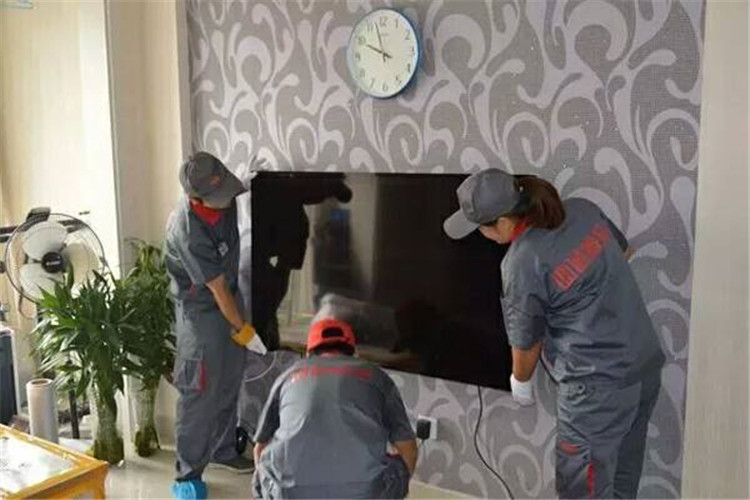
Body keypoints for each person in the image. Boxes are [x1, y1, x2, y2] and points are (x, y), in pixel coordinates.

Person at [443, 169, 665, 499]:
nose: (482, 235)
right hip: (643, 365)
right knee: (621, 476)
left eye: (481, 228)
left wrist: (520, 383)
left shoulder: (521, 261)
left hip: (596, 388)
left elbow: (526, 343)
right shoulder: (581, 209)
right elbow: (623, 253)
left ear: (502, 222)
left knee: (582, 491)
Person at [165, 151, 268, 500]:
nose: (227, 200)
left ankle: (223, 450)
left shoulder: (224, 198)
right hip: (200, 312)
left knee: (230, 378)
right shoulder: (188, 230)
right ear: (196, 198)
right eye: (219, 196)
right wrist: (243, 330)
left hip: (229, 298)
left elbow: (227, 288)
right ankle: (187, 474)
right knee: (200, 390)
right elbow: (217, 288)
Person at [252, 318, 417, 499]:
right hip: (363, 493)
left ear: (308, 354)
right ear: (355, 353)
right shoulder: (378, 377)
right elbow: (408, 449)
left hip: (291, 493)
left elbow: (260, 447)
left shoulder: (287, 376)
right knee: (397, 466)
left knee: (266, 463)